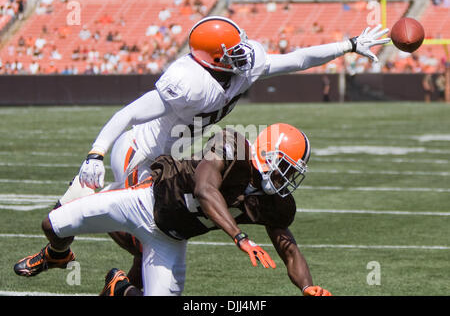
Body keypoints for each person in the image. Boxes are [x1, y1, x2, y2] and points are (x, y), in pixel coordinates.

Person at [52, 16, 389, 287]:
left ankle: (120, 286)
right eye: (231, 53)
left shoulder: (243, 69)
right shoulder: (188, 81)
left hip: (174, 154)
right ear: (209, 60)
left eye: (239, 47)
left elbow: (297, 60)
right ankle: (62, 236)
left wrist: (348, 45)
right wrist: (96, 152)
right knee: (143, 229)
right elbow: (127, 114)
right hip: (141, 152)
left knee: (154, 238)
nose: (241, 55)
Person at [14, 123, 331, 296]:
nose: (286, 179)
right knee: (52, 224)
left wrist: (307, 287)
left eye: (292, 173)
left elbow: (289, 248)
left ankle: (120, 287)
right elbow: (205, 190)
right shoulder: (233, 146)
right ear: (265, 154)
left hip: (169, 239)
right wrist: (239, 237)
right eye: (284, 168)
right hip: (142, 202)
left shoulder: (275, 204)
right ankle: (57, 254)